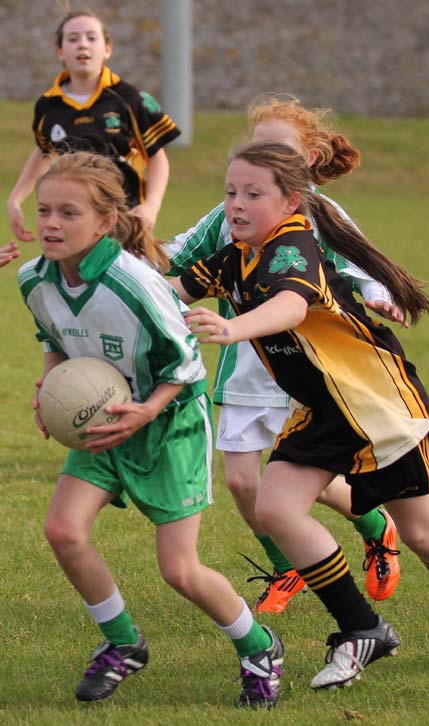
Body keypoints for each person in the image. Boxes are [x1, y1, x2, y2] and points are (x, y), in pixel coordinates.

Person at [172, 140, 429, 690]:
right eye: (230, 192)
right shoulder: (236, 255)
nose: (236, 204)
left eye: (254, 194)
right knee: (275, 507)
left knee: (423, 533)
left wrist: (231, 328)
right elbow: (169, 288)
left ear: (291, 201)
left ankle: (364, 626)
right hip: (325, 409)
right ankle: (362, 629)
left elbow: (291, 305)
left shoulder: (292, 247)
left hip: (376, 407)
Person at [17, 150, 284, 709]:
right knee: (63, 531)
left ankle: (259, 646)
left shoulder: (133, 282)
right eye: (44, 211)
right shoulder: (34, 278)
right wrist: (50, 387)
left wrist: (146, 409)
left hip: (169, 422)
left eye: (69, 213)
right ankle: (122, 644)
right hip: (103, 417)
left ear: (106, 222)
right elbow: (54, 338)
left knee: (180, 570)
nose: (51, 224)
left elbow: (187, 358)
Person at [166, 94, 401, 612]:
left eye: (279, 149)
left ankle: (373, 523)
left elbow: (361, 264)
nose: (263, 160)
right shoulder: (229, 212)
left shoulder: (319, 213)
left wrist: (381, 295)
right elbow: (176, 257)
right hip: (247, 364)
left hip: (310, 368)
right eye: (259, 147)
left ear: (309, 158)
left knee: (301, 485)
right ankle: (286, 564)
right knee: (241, 481)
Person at [7, 9, 180, 241]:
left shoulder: (130, 99)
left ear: (107, 48)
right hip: (71, 228)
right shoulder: (47, 106)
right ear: (60, 52)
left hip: (124, 223)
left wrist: (151, 205)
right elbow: (44, 151)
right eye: (73, 38)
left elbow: (157, 156)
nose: (83, 45)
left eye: (91, 37)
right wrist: (15, 200)